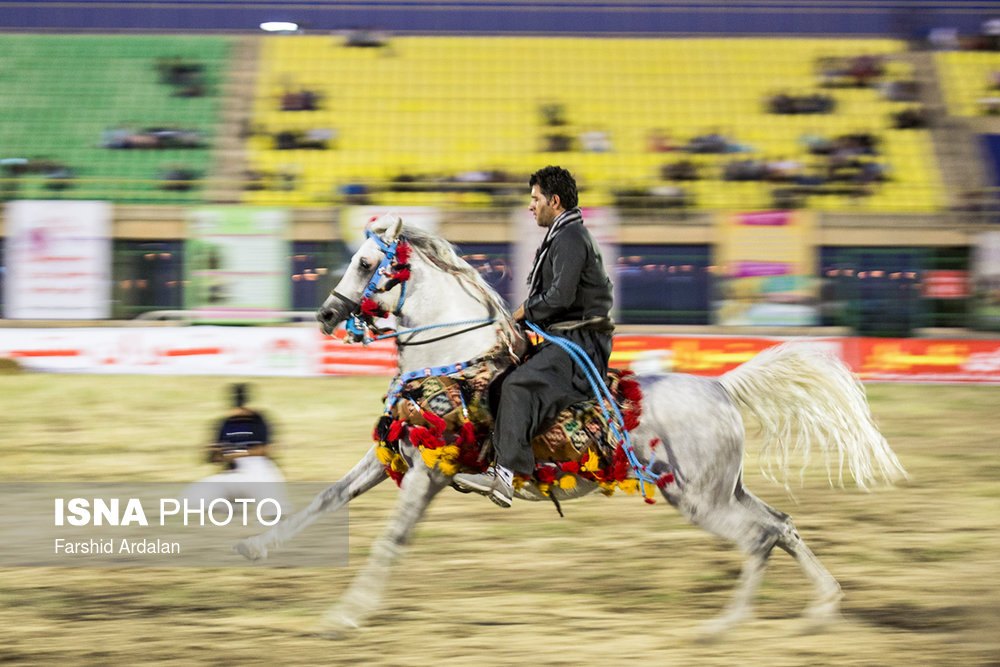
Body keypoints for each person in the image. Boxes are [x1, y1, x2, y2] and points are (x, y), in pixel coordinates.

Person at [453, 166, 614, 507]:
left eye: (535, 199)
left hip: (581, 347)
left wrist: (523, 313)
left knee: (517, 385)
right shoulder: (564, 234)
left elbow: (560, 298)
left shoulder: (570, 237)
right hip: (567, 340)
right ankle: (506, 458)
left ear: (554, 201)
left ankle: (505, 477)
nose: (531, 206)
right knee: (499, 381)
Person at [182, 383, 290, 516]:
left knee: (259, 469)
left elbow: (264, 451)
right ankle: (233, 505)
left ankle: (272, 511)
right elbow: (215, 458)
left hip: (258, 470)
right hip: (234, 474)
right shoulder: (225, 423)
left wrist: (233, 454)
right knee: (191, 497)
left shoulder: (258, 419)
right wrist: (212, 452)